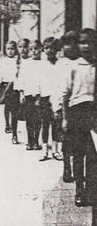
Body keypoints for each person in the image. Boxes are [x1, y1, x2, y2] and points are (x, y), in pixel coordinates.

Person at [60, 28, 97, 207]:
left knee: (93, 154)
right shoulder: (74, 66)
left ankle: (91, 190)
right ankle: (79, 191)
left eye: (89, 42)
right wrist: (65, 118)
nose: (86, 46)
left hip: (93, 113)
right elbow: (65, 94)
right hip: (76, 112)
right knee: (78, 153)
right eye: (82, 42)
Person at [55, 31, 79, 182]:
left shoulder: (81, 61)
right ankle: (66, 169)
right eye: (66, 44)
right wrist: (56, 107)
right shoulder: (61, 63)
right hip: (63, 106)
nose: (69, 47)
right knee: (66, 140)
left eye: (72, 44)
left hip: (78, 105)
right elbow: (56, 86)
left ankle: (78, 171)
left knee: (79, 142)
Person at [38, 37, 61, 161]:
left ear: (56, 49)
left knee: (56, 124)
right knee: (45, 124)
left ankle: (55, 150)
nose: (49, 50)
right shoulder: (42, 64)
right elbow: (38, 81)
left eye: (52, 48)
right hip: (44, 97)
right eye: (47, 48)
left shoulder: (60, 64)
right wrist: (38, 95)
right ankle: (45, 150)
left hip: (56, 97)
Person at [19, 39, 42, 151]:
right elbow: (22, 79)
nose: (34, 51)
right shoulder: (26, 63)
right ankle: (29, 140)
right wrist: (22, 94)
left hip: (40, 95)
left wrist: (40, 95)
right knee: (29, 119)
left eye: (36, 49)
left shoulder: (43, 63)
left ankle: (36, 141)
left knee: (38, 119)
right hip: (28, 94)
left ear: (40, 49)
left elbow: (44, 80)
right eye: (31, 49)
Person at [0, 41, 20, 144]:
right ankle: (7, 124)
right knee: (7, 106)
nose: (10, 51)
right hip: (5, 85)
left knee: (14, 109)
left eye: (12, 49)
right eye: (8, 49)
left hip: (15, 86)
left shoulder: (18, 60)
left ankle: (14, 134)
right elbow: (0, 72)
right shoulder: (3, 60)